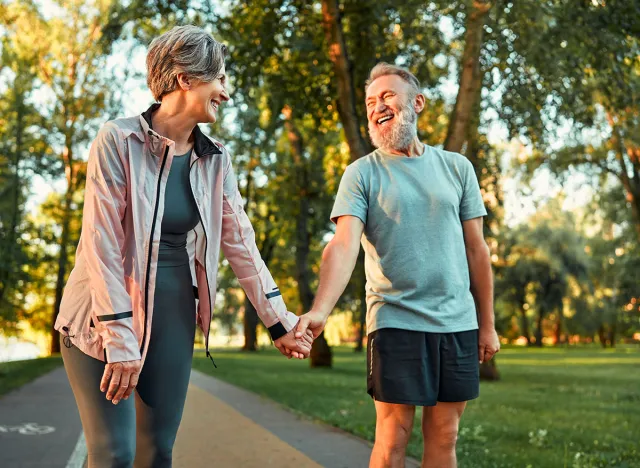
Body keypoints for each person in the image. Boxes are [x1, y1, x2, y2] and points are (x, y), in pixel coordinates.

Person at [54, 25, 312, 467]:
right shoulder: (118, 140)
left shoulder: (216, 159)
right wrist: (119, 337)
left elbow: (241, 243)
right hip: (99, 316)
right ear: (185, 78)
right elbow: (102, 245)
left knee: (157, 454)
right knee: (113, 454)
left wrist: (279, 321)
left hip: (173, 314)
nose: (226, 94)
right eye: (220, 79)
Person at [295, 63, 500, 468]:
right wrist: (321, 310)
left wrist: (487, 323)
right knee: (393, 439)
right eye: (371, 101)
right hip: (396, 321)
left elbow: (477, 251)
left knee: (445, 436)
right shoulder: (361, 174)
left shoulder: (457, 168)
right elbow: (342, 245)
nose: (377, 107)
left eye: (387, 96)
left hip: (456, 324)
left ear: (417, 103)